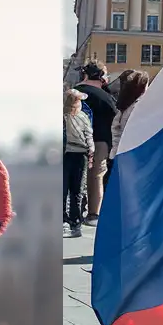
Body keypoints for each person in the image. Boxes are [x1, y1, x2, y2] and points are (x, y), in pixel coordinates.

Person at [76, 62, 118, 218]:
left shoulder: (71, 93)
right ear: (101, 76)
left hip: (72, 142)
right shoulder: (106, 98)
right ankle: (93, 213)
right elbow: (116, 121)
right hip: (100, 141)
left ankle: (72, 211)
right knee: (96, 177)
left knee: (73, 176)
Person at [63, 88, 92, 238]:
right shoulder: (83, 117)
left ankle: (64, 221)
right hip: (81, 155)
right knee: (77, 191)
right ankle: (75, 223)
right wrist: (91, 153)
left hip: (65, 155)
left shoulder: (62, 117)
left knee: (63, 190)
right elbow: (89, 136)